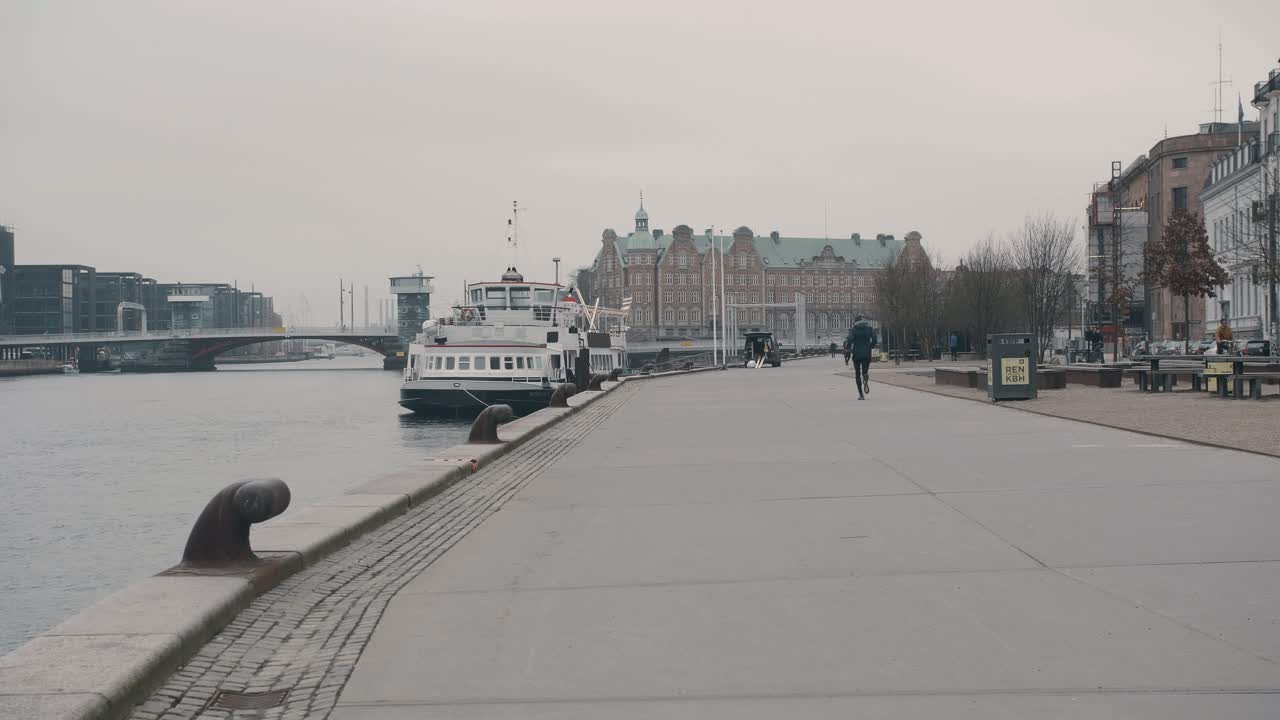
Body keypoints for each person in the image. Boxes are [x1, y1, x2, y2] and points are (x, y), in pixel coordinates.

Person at [845, 315, 878, 400]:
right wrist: (870, 347)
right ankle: (865, 378)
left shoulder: (853, 330)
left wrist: (848, 348)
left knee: (857, 374)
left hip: (856, 354)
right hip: (866, 353)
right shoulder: (869, 329)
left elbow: (849, 340)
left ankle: (861, 395)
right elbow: (874, 339)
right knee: (865, 371)